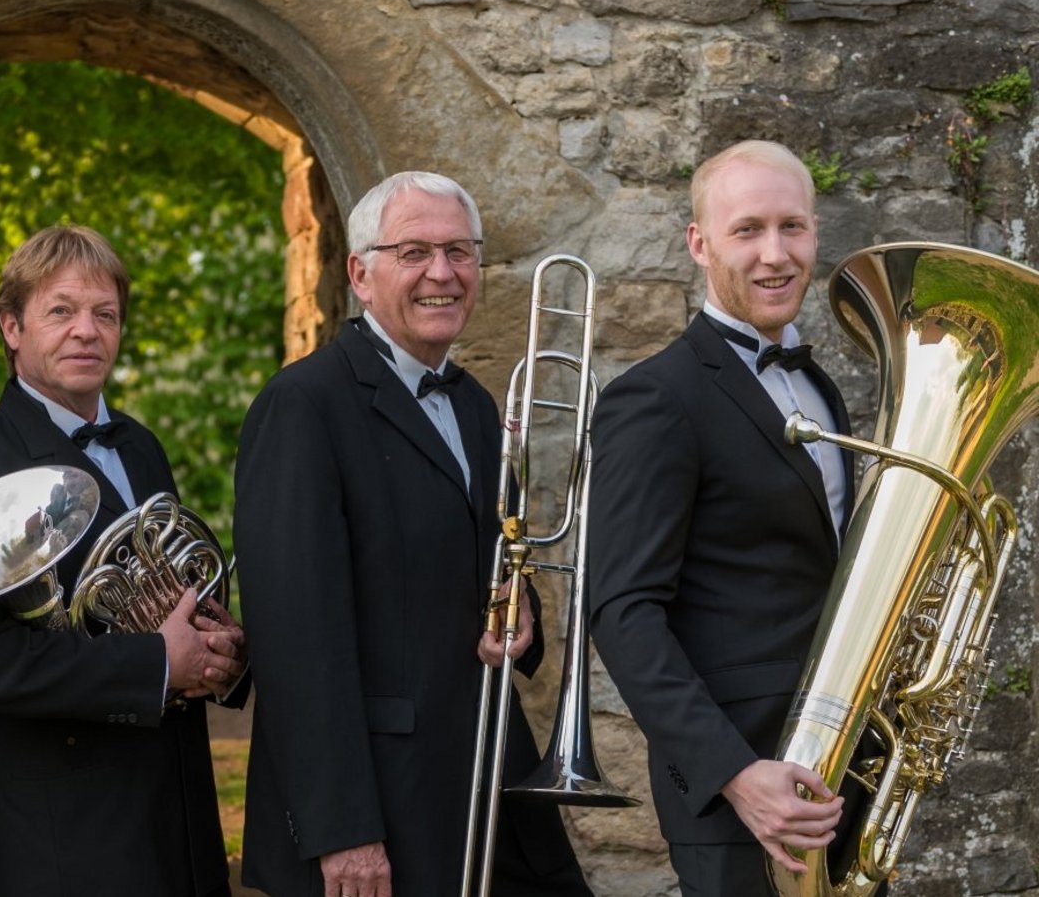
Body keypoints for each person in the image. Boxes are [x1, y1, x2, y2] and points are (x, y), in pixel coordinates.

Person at [233, 171, 591, 897]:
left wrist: (519, 612)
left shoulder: (477, 407)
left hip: (486, 774)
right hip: (379, 806)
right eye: (415, 252)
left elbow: (492, 564)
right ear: (361, 275)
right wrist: (342, 831)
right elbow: (294, 641)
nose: (442, 273)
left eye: (460, 252)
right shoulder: (302, 406)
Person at [0, 224, 247, 897]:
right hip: (69, 836)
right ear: (12, 327)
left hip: (178, 815)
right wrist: (158, 662)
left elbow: (167, 589)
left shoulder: (139, 446)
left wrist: (218, 647)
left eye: (105, 314)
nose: (86, 331)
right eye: (61, 311)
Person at [587, 139, 857, 896]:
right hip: (744, 788)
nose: (775, 254)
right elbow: (623, 610)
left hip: (838, 767)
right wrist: (737, 774)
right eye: (747, 231)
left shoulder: (821, 389)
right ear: (700, 245)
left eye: (792, 227)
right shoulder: (658, 397)